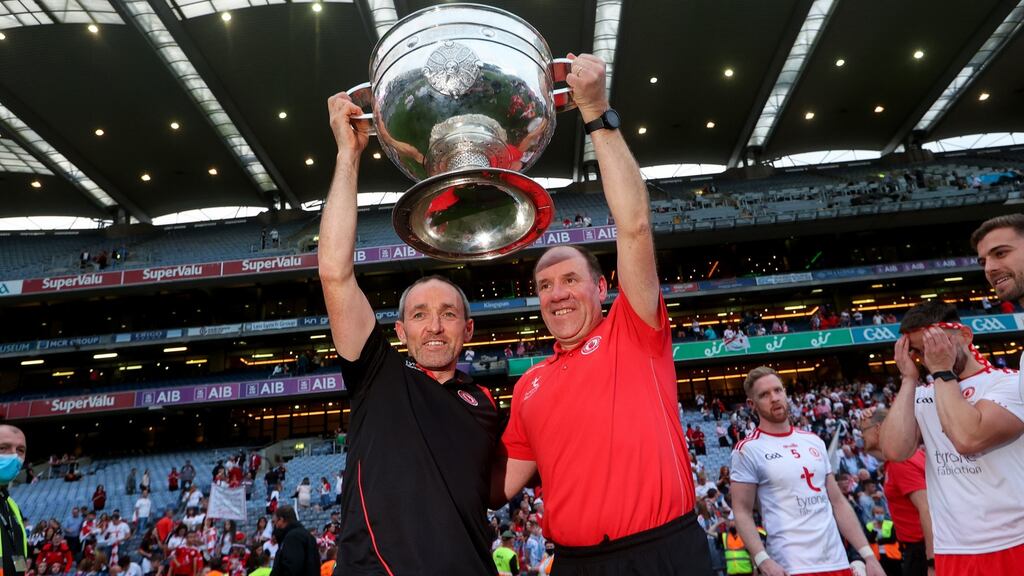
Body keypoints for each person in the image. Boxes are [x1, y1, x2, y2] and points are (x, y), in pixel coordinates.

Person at [494, 53, 710, 576]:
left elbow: (634, 225)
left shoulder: (633, 331)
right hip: (576, 564)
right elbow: (497, 487)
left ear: (602, 287)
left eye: (570, 280)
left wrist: (596, 113)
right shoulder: (528, 386)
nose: (557, 294)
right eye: (545, 286)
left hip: (664, 554)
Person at [320, 89, 500, 575]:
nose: (435, 326)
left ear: (468, 329)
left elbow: (497, 489)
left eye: (448, 314)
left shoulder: (486, 404)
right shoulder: (378, 376)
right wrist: (347, 156)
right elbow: (335, 274)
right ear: (400, 330)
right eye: (420, 315)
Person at [878, 301, 1024, 575]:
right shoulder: (924, 394)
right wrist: (908, 379)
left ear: (965, 335)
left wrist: (942, 372)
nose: (929, 356)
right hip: (953, 549)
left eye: (937, 343)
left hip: (1014, 541)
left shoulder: (1010, 383)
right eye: (920, 351)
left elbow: (968, 438)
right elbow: (894, 450)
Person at [730, 367, 884, 576]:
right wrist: (762, 560)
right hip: (791, 566)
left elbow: (838, 502)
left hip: (837, 562)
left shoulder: (814, 441)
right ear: (752, 404)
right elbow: (741, 511)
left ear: (785, 393)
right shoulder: (748, 449)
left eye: (777, 390)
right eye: (764, 395)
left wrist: (868, 556)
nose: (774, 398)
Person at [859, 407, 933, 576]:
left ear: (878, 428)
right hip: (918, 548)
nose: (861, 435)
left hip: (921, 550)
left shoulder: (901, 461)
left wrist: (932, 561)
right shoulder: (900, 455)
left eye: (863, 430)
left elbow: (926, 508)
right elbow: (871, 449)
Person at [0, 425, 29, 576]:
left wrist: (21, 572)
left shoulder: (12, 505)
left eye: (20, 450)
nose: (14, 456)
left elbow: (16, 547)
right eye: (3, 448)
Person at [268, 506, 317, 576]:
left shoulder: (292, 537)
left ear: (281, 519)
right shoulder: (308, 536)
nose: (275, 526)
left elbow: (292, 567)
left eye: (274, 522)